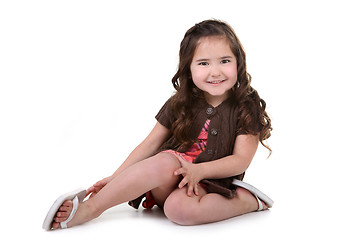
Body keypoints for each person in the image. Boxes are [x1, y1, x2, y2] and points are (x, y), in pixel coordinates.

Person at [43, 19, 273, 230]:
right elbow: (150, 144)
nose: (215, 72)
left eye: (224, 61)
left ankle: (246, 202)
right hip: (167, 177)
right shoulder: (180, 103)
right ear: (189, 69)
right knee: (164, 160)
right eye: (203, 63)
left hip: (209, 184)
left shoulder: (246, 106)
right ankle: (89, 209)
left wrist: (199, 171)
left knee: (178, 211)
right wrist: (116, 177)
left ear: (238, 63)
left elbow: (240, 160)